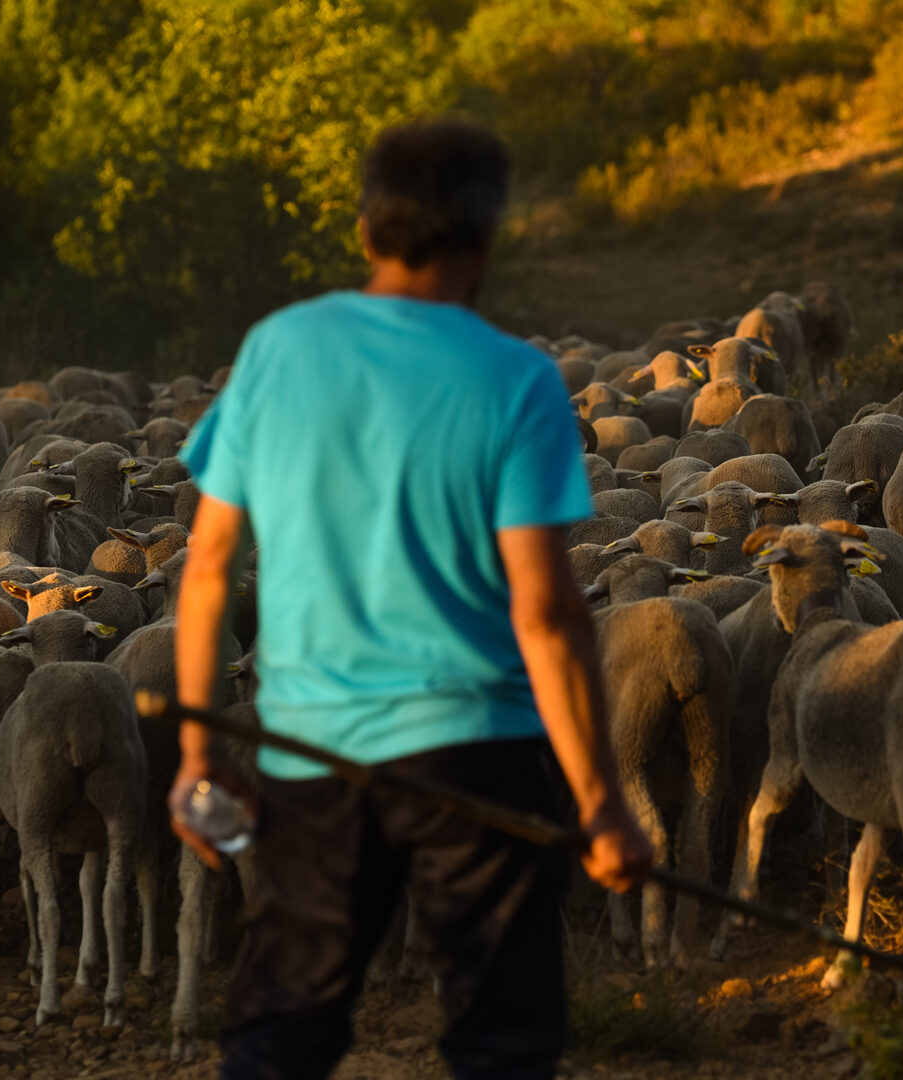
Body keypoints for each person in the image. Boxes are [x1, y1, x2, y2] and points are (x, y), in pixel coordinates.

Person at [170, 117, 654, 1080]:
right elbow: (546, 613)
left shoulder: (277, 350)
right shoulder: (518, 381)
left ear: (365, 229)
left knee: (281, 1032)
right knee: (501, 1043)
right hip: (479, 756)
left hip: (315, 751)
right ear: (487, 238)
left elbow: (211, 562)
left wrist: (196, 756)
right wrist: (600, 802)